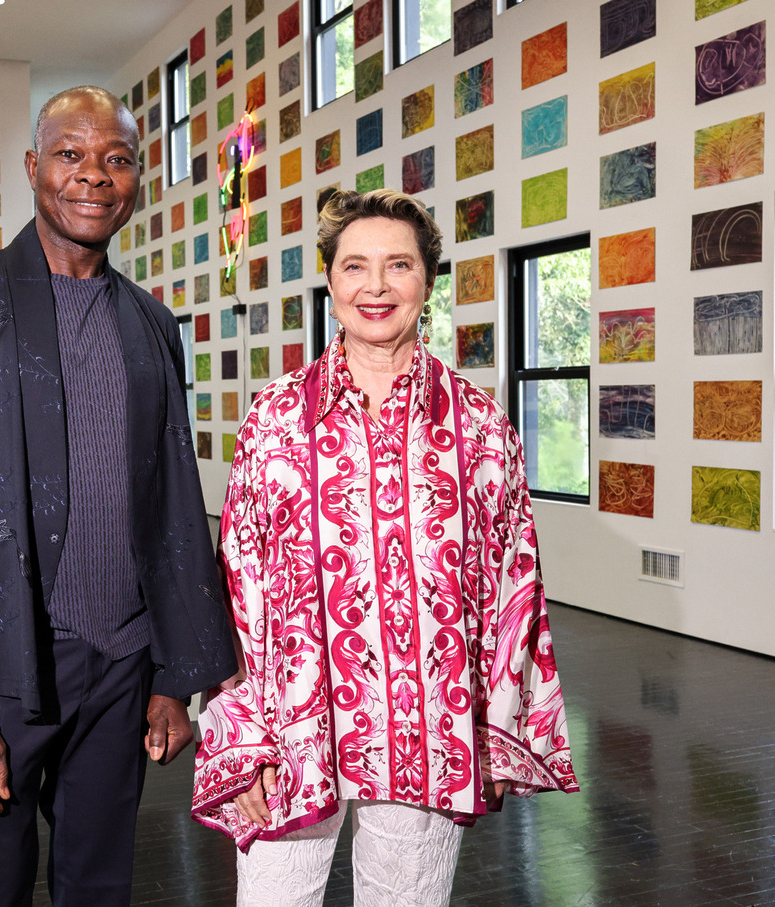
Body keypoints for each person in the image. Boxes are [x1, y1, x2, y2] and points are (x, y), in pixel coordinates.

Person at [0, 86, 237, 907]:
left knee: (99, 886)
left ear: (140, 178)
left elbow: (174, 507)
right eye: (71, 154)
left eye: (116, 158)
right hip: (3, 667)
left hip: (121, 664)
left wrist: (174, 670)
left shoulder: (151, 322)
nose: (94, 176)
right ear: (33, 167)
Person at [192, 189, 579, 906]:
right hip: (291, 729)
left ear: (426, 281)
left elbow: (512, 589)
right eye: (355, 265)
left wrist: (496, 730)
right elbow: (234, 584)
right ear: (331, 280)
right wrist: (241, 739)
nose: (375, 286)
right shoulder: (276, 418)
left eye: (398, 265)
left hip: (432, 729)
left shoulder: (480, 425)